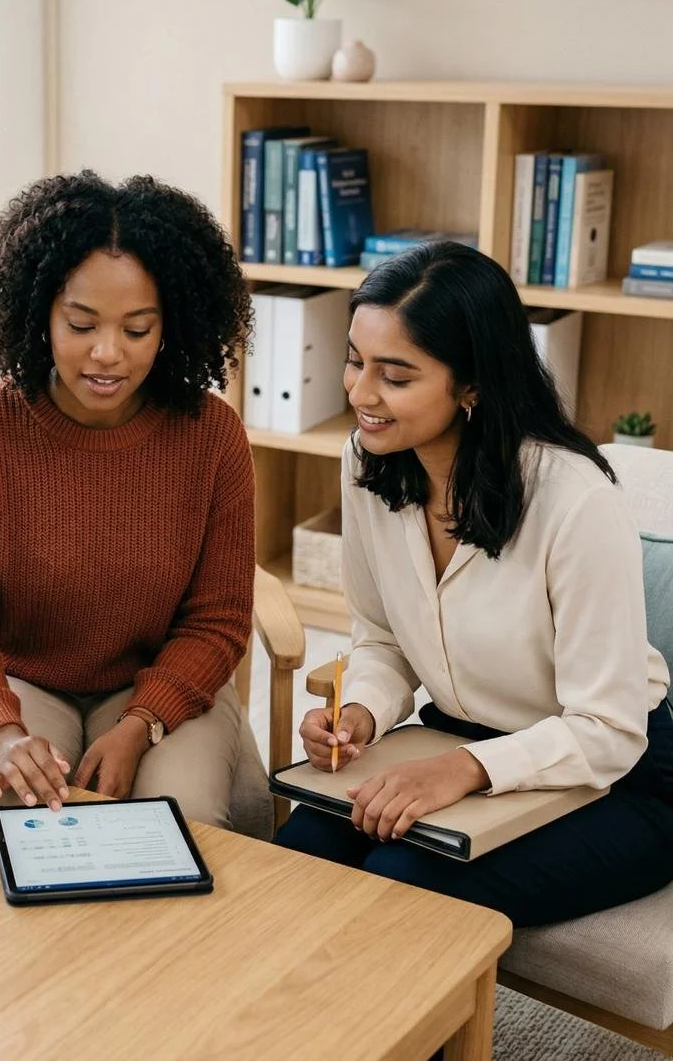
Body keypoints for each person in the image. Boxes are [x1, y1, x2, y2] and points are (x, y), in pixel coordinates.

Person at [276, 242, 673, 927]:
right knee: (303, 850)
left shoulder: (574, 500)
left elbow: (608, 729)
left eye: (395, 376)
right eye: (355, 360)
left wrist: (465, 769)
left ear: (472, 386)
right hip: (458, 738)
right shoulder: (369, 462)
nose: (361, 394)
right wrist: (362, 711)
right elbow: (382, 640)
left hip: (618, 778)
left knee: (402, 888)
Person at [0, 170, 255, 836]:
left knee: (182, 817)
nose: (107, 353)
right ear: (39, 313)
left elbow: (217, 621)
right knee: (0, 806)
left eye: (137, 329)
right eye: (80, 324)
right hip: (15, 680)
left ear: (172, 325)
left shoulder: (212, 436)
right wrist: (2, 734)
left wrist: (142, 722)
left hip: (154, 682)